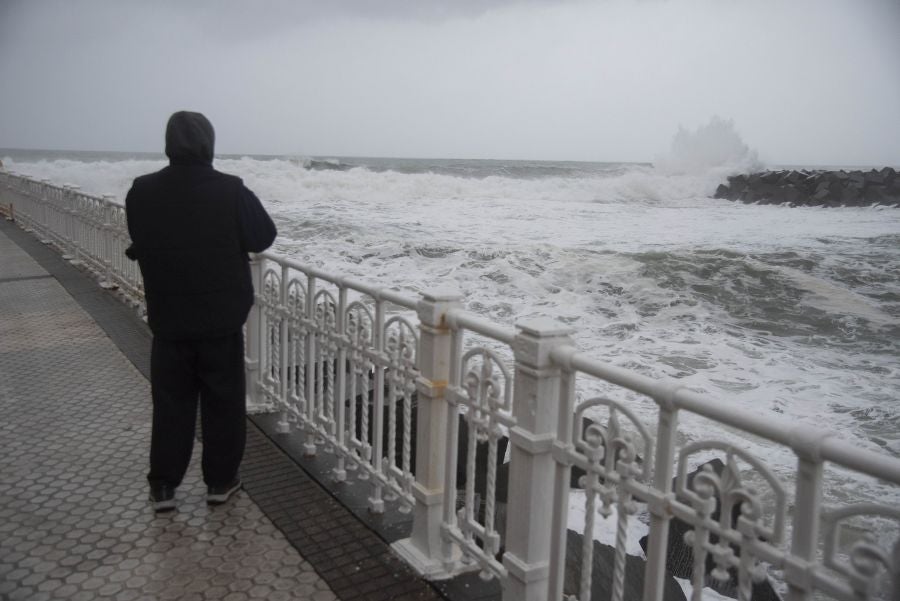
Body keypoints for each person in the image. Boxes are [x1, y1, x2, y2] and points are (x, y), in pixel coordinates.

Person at [125, 111, 277, 512]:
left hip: (169, 318)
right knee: (222, 403)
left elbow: (141, 236)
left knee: (171, 403)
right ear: (209, 144)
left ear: (168, 144)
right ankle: (220, 482)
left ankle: (163, 486)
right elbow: (263, 235)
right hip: (220, 319)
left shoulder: (141, 190)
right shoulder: (230, 190)